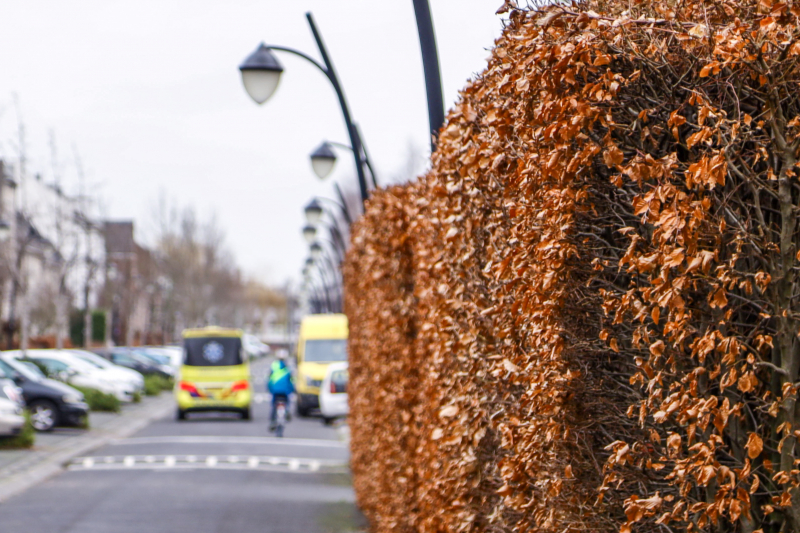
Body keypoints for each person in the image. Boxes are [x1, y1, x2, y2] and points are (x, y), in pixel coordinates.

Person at [267, 351, 294, 431]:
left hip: (275, 391)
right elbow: (291, 381)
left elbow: (269, 379)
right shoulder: (288, 367)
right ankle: (287, 412)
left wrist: (269, 388)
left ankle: (272, 421)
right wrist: (292, 389)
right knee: (287, 402)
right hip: (285, 391)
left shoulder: (273, 366)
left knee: (274, 405)